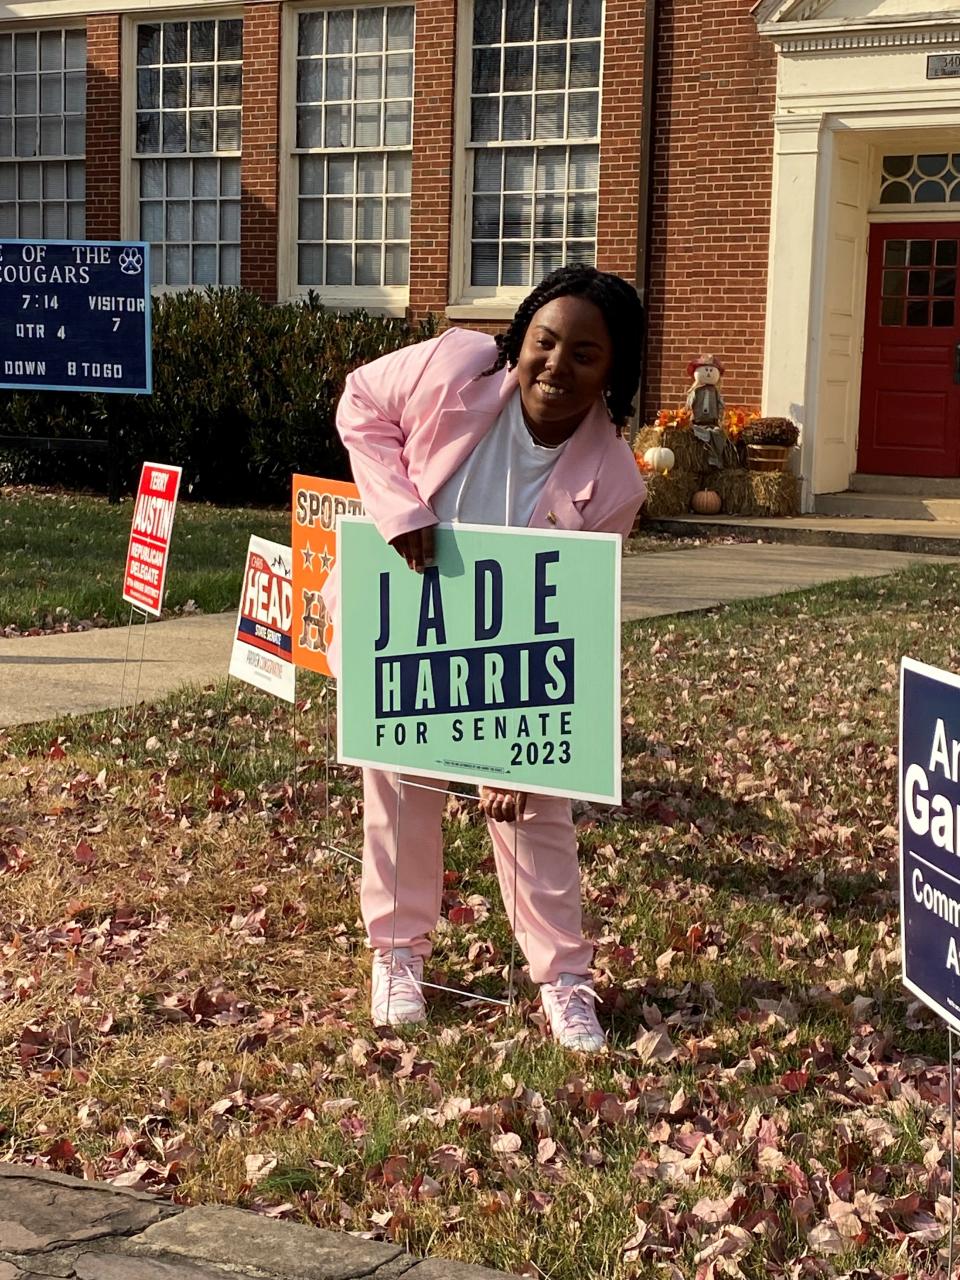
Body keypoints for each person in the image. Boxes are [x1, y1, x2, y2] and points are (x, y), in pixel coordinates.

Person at [331, 265, 646, 1051]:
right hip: (409, 617)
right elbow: (361, 403)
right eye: (545, 341)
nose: (556, 365)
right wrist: (398, 507)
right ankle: (398, 956)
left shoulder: (614, 480)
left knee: (536, 809)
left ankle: (565, 981)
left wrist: (519, 755)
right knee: (402, 786)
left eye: (585, 353)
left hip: (517, 653)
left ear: (614, 369)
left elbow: (573, 616)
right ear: (522, 337)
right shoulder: (454, 366)